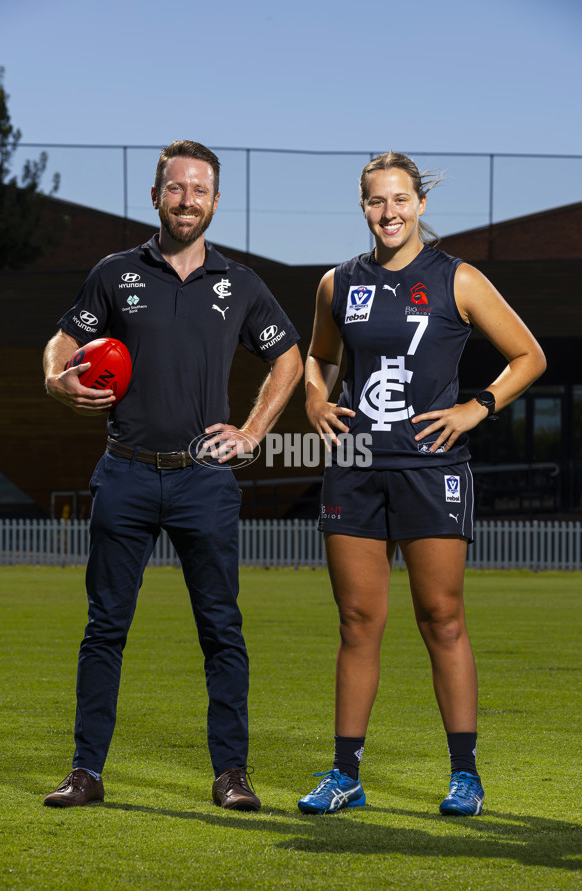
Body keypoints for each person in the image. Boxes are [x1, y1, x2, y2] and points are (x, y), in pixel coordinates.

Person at [42, 140, 302, 811]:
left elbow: (290, 359)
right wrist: (54, 380)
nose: (187, 200)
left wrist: (252, 432)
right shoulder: (115, 272)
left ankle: (232, 776)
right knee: (105, 627)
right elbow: (66, 338)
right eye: (176, 188)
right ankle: (86, 772)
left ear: (217, 200)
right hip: (124, 473)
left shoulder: (239, 284)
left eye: (200, 190)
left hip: (203, 480)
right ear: (156, 195)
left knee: (221, 629)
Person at [298, 151, 546, 816]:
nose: (389, 212)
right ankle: (345, 773)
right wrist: (314, 402)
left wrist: (477, 408)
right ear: (363, 208)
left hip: (432, 469)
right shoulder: (336, 284)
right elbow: (318, 359)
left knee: (442, 618)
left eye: (401, 199)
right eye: (377, 201)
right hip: (355, 468)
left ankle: (465, 773)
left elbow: (529, 355)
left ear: (421, 206)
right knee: (356, 623)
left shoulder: (457, 278)